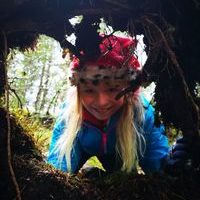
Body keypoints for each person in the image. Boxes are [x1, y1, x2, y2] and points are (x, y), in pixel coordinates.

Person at [47, 33, 189, 175]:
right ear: (78, 91)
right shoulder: (71, 113)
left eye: (112, 89)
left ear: (129, 89)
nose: (101, 102)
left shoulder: (142, 114)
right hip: (83, 147)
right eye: (89, 90)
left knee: (125, 178)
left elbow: (158, 170)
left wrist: (172, 163)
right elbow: (57, 173)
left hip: (120, 151)